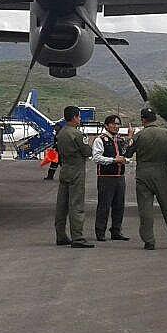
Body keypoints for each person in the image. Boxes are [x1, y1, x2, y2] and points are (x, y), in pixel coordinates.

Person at [126, 107, 167, 250]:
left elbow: (127, 154)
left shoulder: (139, 136)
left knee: (145, 209)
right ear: (155, 119)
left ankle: (149, 241)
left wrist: (129, 138)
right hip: (161, 173)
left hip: (143, 175)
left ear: (143, 119)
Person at [53, 106, 94, 248]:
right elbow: (87, 151)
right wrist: (88, 144)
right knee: (76, 204)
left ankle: (61, 235)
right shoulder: (77, 134)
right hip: (76, 170)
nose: (80, 119)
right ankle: (78, 237)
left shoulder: (61, 133)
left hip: (65, 169)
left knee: (62, 205)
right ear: (75, 117)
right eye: (79, 116)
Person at [92, 114, 131, 241]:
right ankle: (100, 231)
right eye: (113, 124)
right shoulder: (100, 140)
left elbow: (125, 155)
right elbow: (96, 158)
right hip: (106, 177)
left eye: (118, 124)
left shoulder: (119, 140)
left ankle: (116, 231)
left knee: (119, 205)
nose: (116, 126)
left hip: (120, 177)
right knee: (104, 205)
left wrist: (126, 160)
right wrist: (114, 160)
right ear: (106, 125)